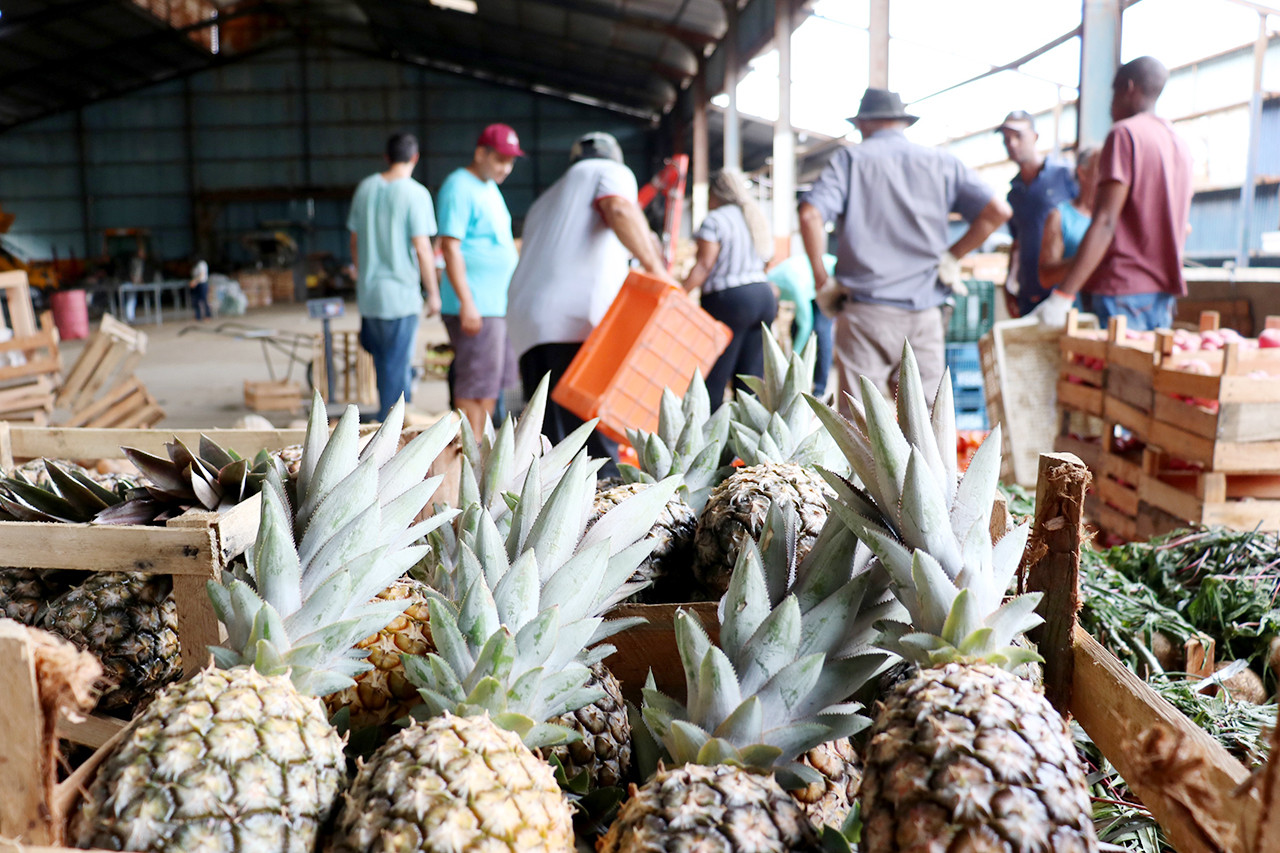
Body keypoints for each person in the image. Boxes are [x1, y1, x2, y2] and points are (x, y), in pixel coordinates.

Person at [797, 88, 1011, 414]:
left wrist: (822, 279)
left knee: (859, 424)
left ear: (864, 124)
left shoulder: (851, 160)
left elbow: (811, 214)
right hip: (924, 314)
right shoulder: (941, 162)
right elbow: (997, 212)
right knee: (924, 425)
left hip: (865, 314)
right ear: (901, 123)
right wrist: (953, 255)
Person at [506, 132, 675, 471]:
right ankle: (600, 514)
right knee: (592, 439)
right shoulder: (609, 172)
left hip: (527, 321)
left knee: (551, 441)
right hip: (572, 320)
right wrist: (659, 271)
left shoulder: (545, 199)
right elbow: (617, 208)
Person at [1035, 57, 1193, 331]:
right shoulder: (1179, 143)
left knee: (1118, 373)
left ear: (1129, 88)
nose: (1110, 105)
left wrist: (1063, 296)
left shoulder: (1124, 134)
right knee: (1147, 373)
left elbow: (1106, 222)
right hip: (1163, 295)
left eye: (1114, 93)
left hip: (1123, 292)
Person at [437, 123, 524, 437]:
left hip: (495, 304)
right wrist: (467, 303)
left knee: (489, 382)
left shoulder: (488, 187)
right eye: (500, 159)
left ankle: (479, 446)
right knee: (475, 383)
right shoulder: (459, 186)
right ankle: (469, 451)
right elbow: (450, 246)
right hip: (478, 305)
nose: (506, 168)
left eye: (511, 161)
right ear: (480, 153)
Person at [347, 131, 440, 422]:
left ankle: (387, 423)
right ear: (415, 157)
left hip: (370, 296)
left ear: (387, 157)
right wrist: (433, 293)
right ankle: (392, 435)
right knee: (396, 373)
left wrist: (363, 273)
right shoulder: (415, 193)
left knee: (384, 367)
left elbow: (354, 240)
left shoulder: (365, 188)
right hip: (400, 297)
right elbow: (423, 248)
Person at [681, 169, 776, 408]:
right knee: (750, 380)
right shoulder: (755, 216)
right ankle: (750, 439)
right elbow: (768, 258)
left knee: (714, 375)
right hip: (763, 297)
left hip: (731, 301)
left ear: (715, 193)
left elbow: (704, 265)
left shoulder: (715, 220)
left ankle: (709, 437)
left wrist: (678, 294)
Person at [998, 110, 1078, 316]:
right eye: (1006, 139)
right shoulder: (1013, 193)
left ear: (1035, 137)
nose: (1011, 144)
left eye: (1018, 136)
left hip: (1062, 295)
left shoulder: (1065, 176)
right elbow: (1017, 243)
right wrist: (1009, 284)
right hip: (1027, 295)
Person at [765, 251, 837, 398]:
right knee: (795, 329)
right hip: (812, 288)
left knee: (820, 332)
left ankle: (819, 389)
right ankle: (800, 380)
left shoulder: (791, 283)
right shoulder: (770, 280)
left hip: (829, 280)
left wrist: (793, 360)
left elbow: (806, 324)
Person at [1038, 147, 1099, 288]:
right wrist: (1092, 259)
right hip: (1074, 309)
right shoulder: (1060, 216)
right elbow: (1045, 277)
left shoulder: (1117, 218)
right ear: (1082, 173)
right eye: (1102, 169)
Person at [188, 257, 210, 321]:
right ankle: (198, 316)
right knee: (195, 300)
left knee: (204, 299)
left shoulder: (201, 264)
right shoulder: (195, 266)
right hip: (196, 284)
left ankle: (207, 315)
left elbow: (201, 275)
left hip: (202, 283)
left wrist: (194, 281)